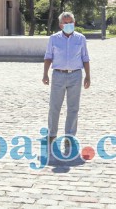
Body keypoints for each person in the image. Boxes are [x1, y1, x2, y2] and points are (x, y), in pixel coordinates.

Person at [42, 11, 91, 156]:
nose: (68, 24)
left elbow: (85, 57)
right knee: (54, 106)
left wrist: (88, 76)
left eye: (70, 22)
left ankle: (69, 137)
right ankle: (52, 135)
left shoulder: (81, 38)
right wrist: (45, 73)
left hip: (75, 75)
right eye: (65, 22)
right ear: (60, 24)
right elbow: (48, 56)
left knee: (73, 108)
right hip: (58, 75)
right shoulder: (54, 38)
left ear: (74, 23)